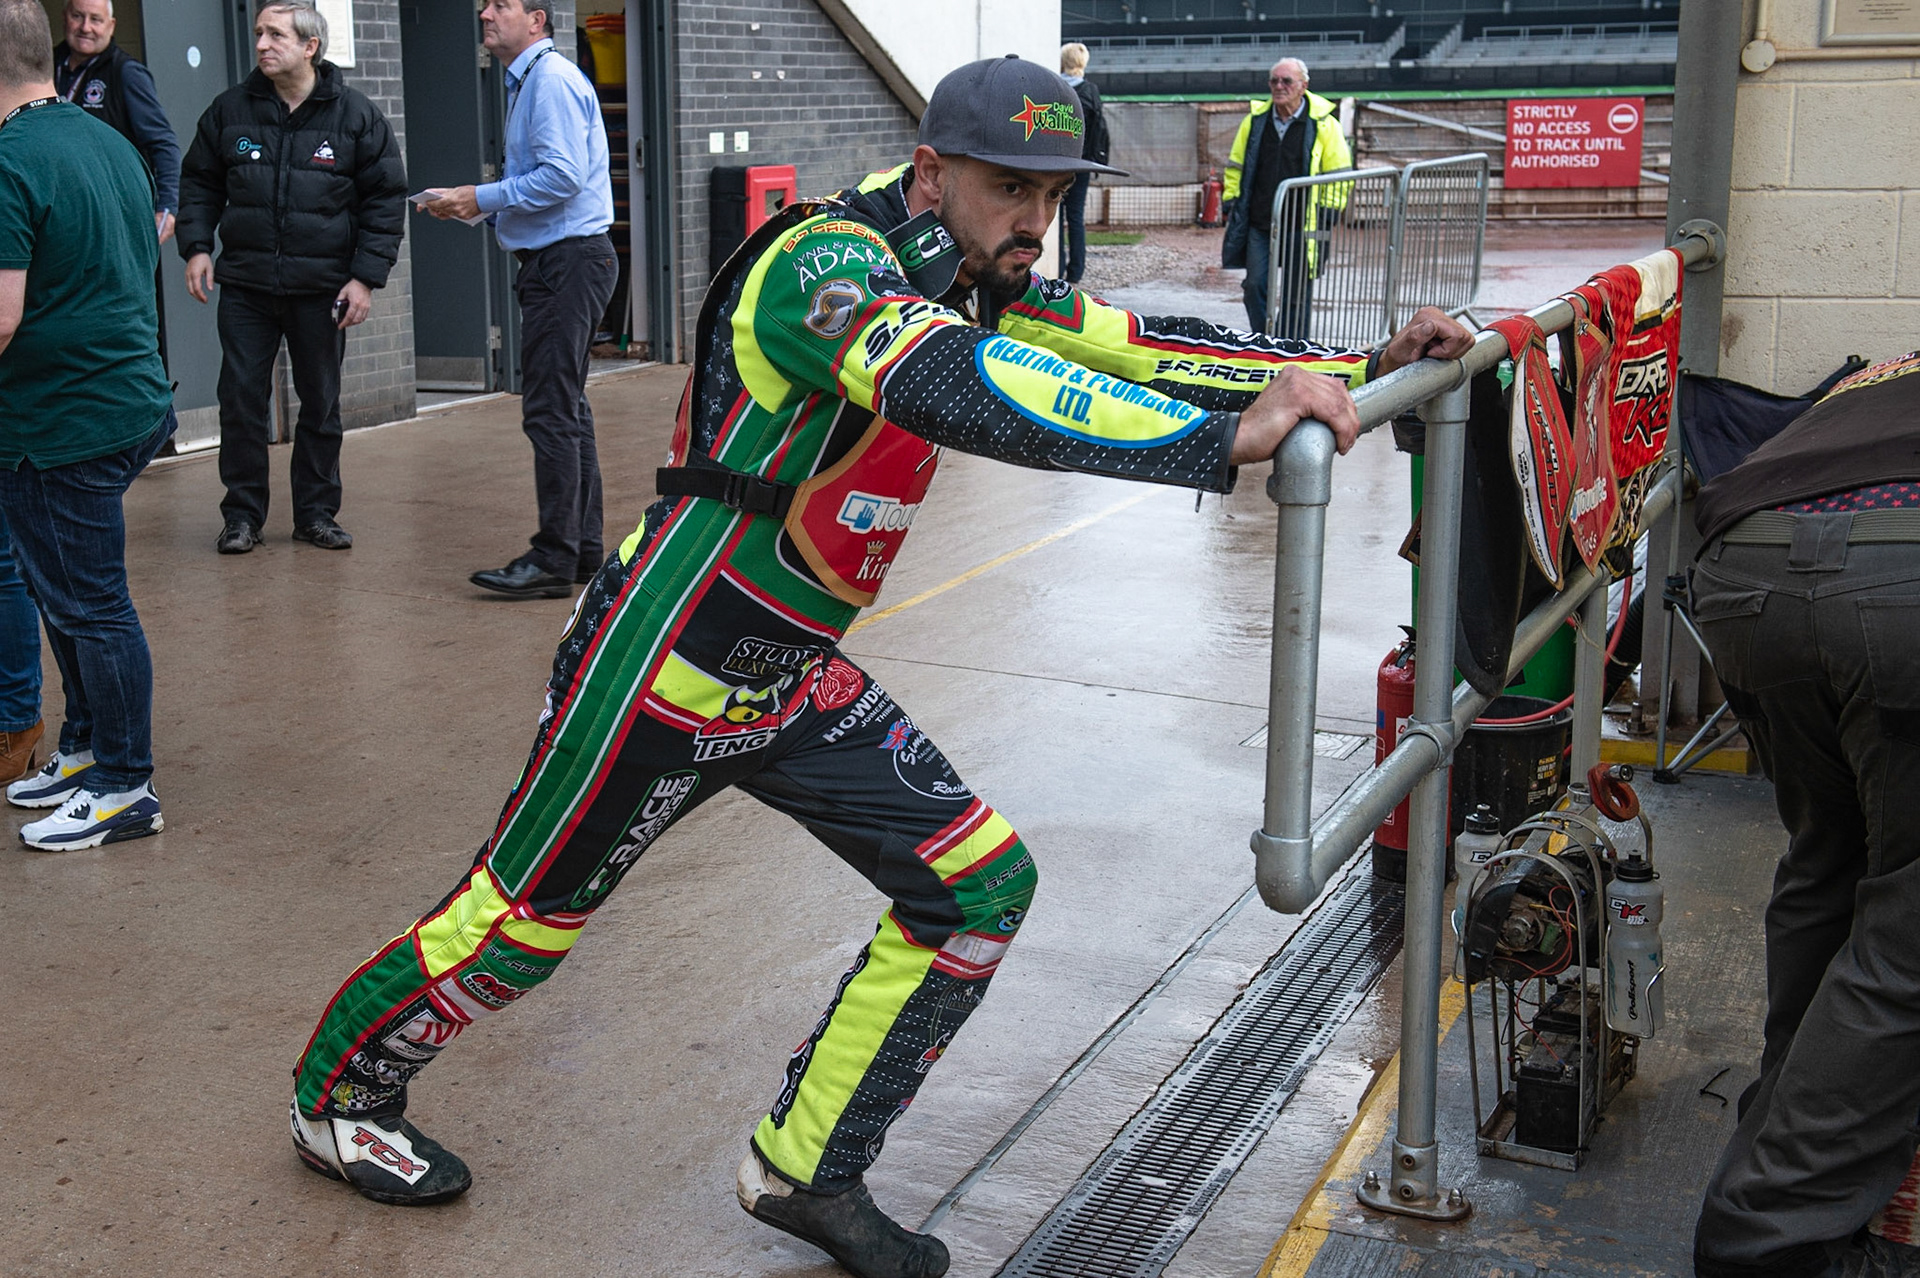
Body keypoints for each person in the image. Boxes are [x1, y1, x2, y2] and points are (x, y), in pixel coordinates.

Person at [287, 55, 1469, 1278]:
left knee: (977, 890)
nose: (1036, 221)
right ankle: (337, 1099)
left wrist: (1353, 368)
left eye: (1056, 195)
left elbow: (1138, 344)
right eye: (1012, 188)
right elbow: (946, 381)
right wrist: (1217, 443)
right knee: (519, 930)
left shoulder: (976, 272)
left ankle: (807, 1167)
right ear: (931, 171)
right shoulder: (823, 262)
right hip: (663, 661)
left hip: (793, 675)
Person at [1690, 351, 1920, 1278]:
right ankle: (1769, 1237)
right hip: (1901, 588)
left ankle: (1777, 1136)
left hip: (1746, 572)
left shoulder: (1891, 370)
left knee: (1832, 864)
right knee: (1908, 940)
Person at [0, 0, 174, 849]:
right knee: (61, 592)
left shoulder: (7, 160)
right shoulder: (105, 140)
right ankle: (85, 747)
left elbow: (1, 315)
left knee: (90, 603)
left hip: (62, 425)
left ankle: (124, 784)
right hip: (127, 403)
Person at [177, 0, 406, 556]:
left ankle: (316, 514)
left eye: (275, 34)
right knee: (240, 402)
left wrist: (364, 280)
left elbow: (385, 200)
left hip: (323, 290)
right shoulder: (230, 110)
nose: (261, 45)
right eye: (258, 33)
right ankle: (242, 517)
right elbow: (199, 182)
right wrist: (198, 247)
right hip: (248, 288)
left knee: (321, 403)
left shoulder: (355, 117)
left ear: (310, 47)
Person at [422, 0, 617, 601]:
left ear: (536, 19)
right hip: (566, 261)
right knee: (566, 406)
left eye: (500, 4)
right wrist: (478, 207)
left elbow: (563, 176)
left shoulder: (548, 81)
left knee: (550, 410)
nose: (484, 13)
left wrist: (481, 196)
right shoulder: (534, 80)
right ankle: (581, 552)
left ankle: (554, 557)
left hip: (568, 263)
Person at [1220, 57, 1350, 339]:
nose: (1279, 87)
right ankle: (1265, 341)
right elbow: (1236, 166)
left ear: (1303, 86)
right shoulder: (1254, 121)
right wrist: (1231, 200)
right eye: (1274, 81)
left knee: (1297, 295)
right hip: (1260, 220)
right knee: (1254, 286)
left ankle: (1292, 348)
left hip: (1303, 223)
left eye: (1286, 81)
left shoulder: (1324, 124)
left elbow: (1339, 173)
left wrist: (1330, 209)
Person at [53, 0, 179, 246]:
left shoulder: (127, 72)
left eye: (96, 19)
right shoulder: (46, 65)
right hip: (58, 209)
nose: (85, 27)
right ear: (64, 17)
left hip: (112, 214)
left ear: (111, 26)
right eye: (78, 16)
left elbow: (163, 144)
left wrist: (167, 206)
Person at [1057, 41, 1107, 285]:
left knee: (1054, 214)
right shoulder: (1090, 91)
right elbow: (1099, 128)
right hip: (1082, 163)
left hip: (1055, 163)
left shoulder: (1055, 88)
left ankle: (1055, 266)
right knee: (1076, 217)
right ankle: (1076, 271)